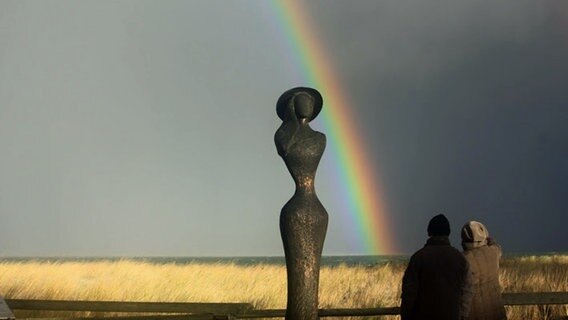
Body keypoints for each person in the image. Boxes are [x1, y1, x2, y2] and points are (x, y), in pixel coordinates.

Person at [401, 214, 473, 320]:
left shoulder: (418, 258)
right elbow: (467, 292)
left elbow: (409, 294)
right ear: (448, 232)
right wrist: (462, 316)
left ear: (429, 232)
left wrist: (406, 316)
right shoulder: (460, 258)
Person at [461, 221, 507, 320]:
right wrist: (488, 239)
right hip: (496, 315)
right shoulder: (493, 252)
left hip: (473, 315)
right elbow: (497, 246)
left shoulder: (462, 260)